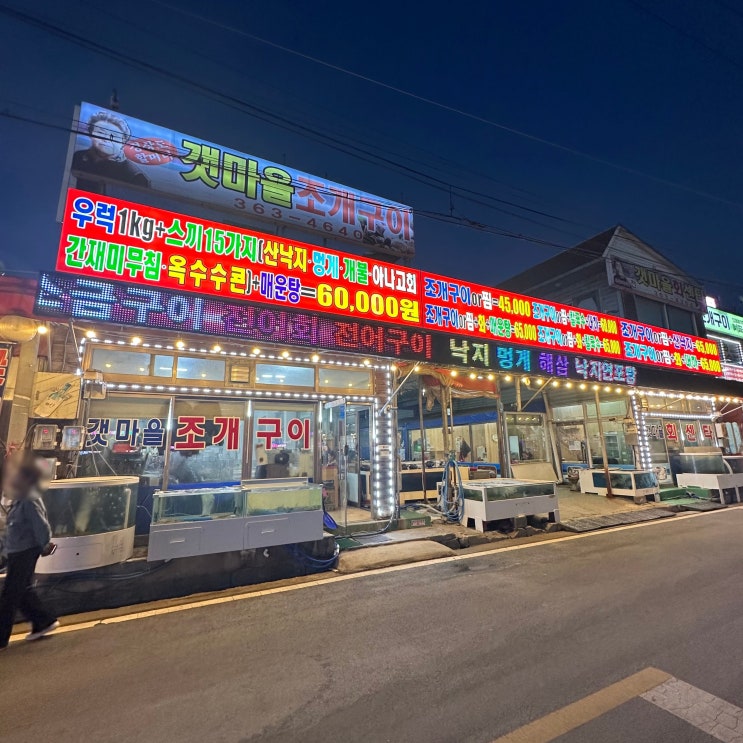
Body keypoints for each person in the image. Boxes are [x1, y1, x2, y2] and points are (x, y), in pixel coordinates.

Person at [0, 460, 59, 651]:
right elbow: (11, 529)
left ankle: (1, 637)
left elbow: (40, 524)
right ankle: (43, 621)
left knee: (10, 595)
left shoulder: (28, 498)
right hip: (16, 551)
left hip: (26, 550)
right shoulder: (18, 497)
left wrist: (45, 543)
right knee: (21, 590)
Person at [72, 111, 150, 193]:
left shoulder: (134, 176)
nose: (106, 139)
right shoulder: (77, 157)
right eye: (101, 133)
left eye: (114, 136)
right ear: (90, 134)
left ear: (123, 141)